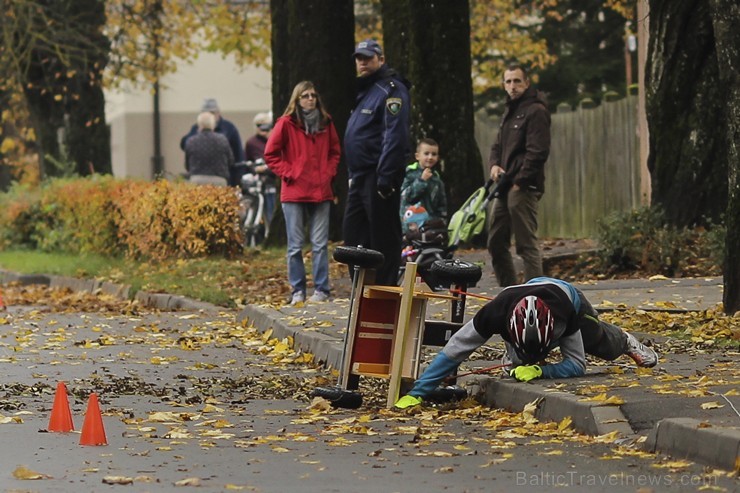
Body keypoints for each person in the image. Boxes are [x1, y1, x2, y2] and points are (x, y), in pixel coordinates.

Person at [395, 276, 659, 409]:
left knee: (599, 343)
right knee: (519, 365)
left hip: (568, 295)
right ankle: (516, 356)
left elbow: (577, 365)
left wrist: (540, 370)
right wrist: (417, 393)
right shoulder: (494, 314)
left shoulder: (564, 312)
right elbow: (454, 351)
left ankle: (625, 341)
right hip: (522, 299)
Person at [264, 81, 340, 305]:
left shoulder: (326, 123)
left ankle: (322, 290)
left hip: (320, 190)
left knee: (319, 244)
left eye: (313, 95)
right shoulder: (286, 124)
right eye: (305, 96)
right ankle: (297, 290)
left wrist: (329, 172)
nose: (310, 99)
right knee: (295, 245)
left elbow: (335, 151)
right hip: (295, 191)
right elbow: (271, 154)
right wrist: (289, 172)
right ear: (297, 100)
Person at [342, 39, 411, 286]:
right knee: (352, 238)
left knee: (383, 239)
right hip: (359, 177)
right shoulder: (366, 91)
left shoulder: (391, 90)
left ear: (381, 60)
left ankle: (385, 292)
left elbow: (395, 135)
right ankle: (363, 290)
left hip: (377, 175)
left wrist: (386, 177)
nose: (362, 62)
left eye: (368, 58)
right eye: (359, 58)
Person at [487, 64, 551, 287]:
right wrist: (494, 165)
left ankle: (537, 295)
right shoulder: (510, 110)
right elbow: (497, 145)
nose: (512, 86)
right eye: (508, 81)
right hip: (504, 186)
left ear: (527, 83)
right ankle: (509, 292)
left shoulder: (536, 111)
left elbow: (538, 151)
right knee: (495, 242)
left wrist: (520, 182)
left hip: (523, 187)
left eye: (517, 81)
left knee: (526, 245)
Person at [181, 98, 245, 184]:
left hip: (221, 176)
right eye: (205, 113)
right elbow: (185, 146)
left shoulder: (229, 128)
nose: (209, 116)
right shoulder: (195, 129)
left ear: (218, 113)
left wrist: (238, 177)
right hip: (201, 174)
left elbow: (237, 154)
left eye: (212, 113)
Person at [399, 138, 447, 235]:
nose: (430, 157)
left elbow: (442, 204)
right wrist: (421, 181)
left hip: (430, 227)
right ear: (417, 156)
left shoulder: (436, 179)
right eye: (426, 153)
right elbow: (405, 197)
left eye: (434, 154)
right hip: (410, 226)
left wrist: (441, 221)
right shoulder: (409, 173)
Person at [245, 112, 278, 224]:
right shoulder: (251, 142)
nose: (263, 128)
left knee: (271, 209)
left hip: (273, 180)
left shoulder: (275, 141)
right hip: (259, 182)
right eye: (259, 125)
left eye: (266, 125)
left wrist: (267, 168)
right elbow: (248, 161)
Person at [184, 112, 234, 186]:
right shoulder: (222, 140)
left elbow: (187, 165)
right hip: (219, 180)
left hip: (197, 180)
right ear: (213, 125)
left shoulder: (191, 141)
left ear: (199, 125)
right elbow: (231, 161)